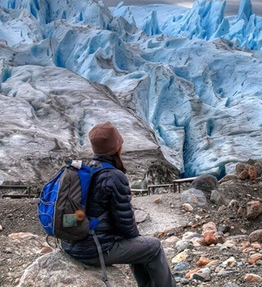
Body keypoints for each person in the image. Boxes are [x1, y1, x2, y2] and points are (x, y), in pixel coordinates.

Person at [62, 122, 176, 287]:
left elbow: (81, 216)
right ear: (117, 147)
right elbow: (126, 224)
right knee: (154, 246)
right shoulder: (113, 176)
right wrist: (137, 240)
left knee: (140, 246)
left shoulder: (87, 171)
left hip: (73, 243)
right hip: (93, 249)